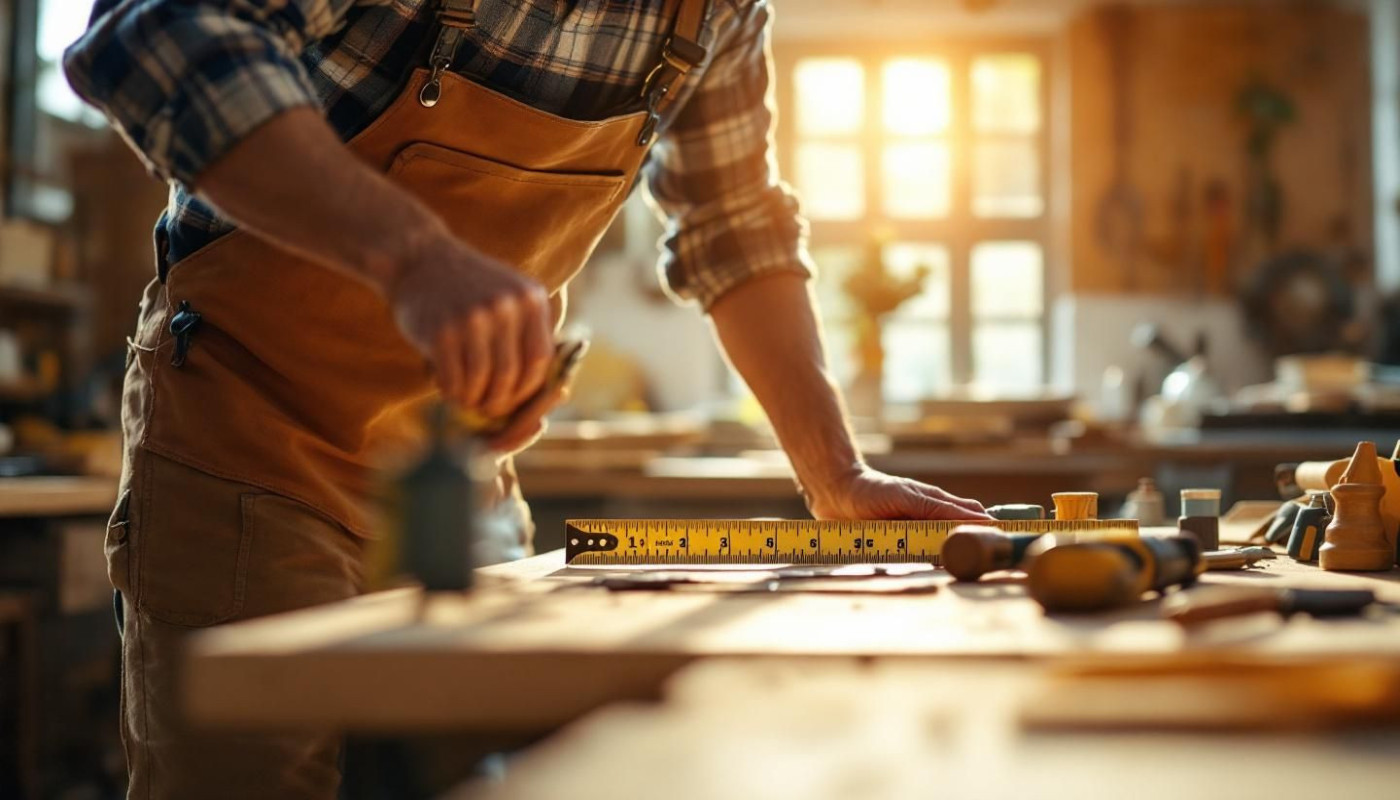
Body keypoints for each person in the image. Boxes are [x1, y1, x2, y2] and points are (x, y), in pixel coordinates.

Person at [64, 0, 990, 796]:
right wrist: (413, 256)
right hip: (244, 441)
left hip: (462, 481)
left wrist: (835, 473)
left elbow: (735, 226)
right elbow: (153, 32)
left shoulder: (715, 13)